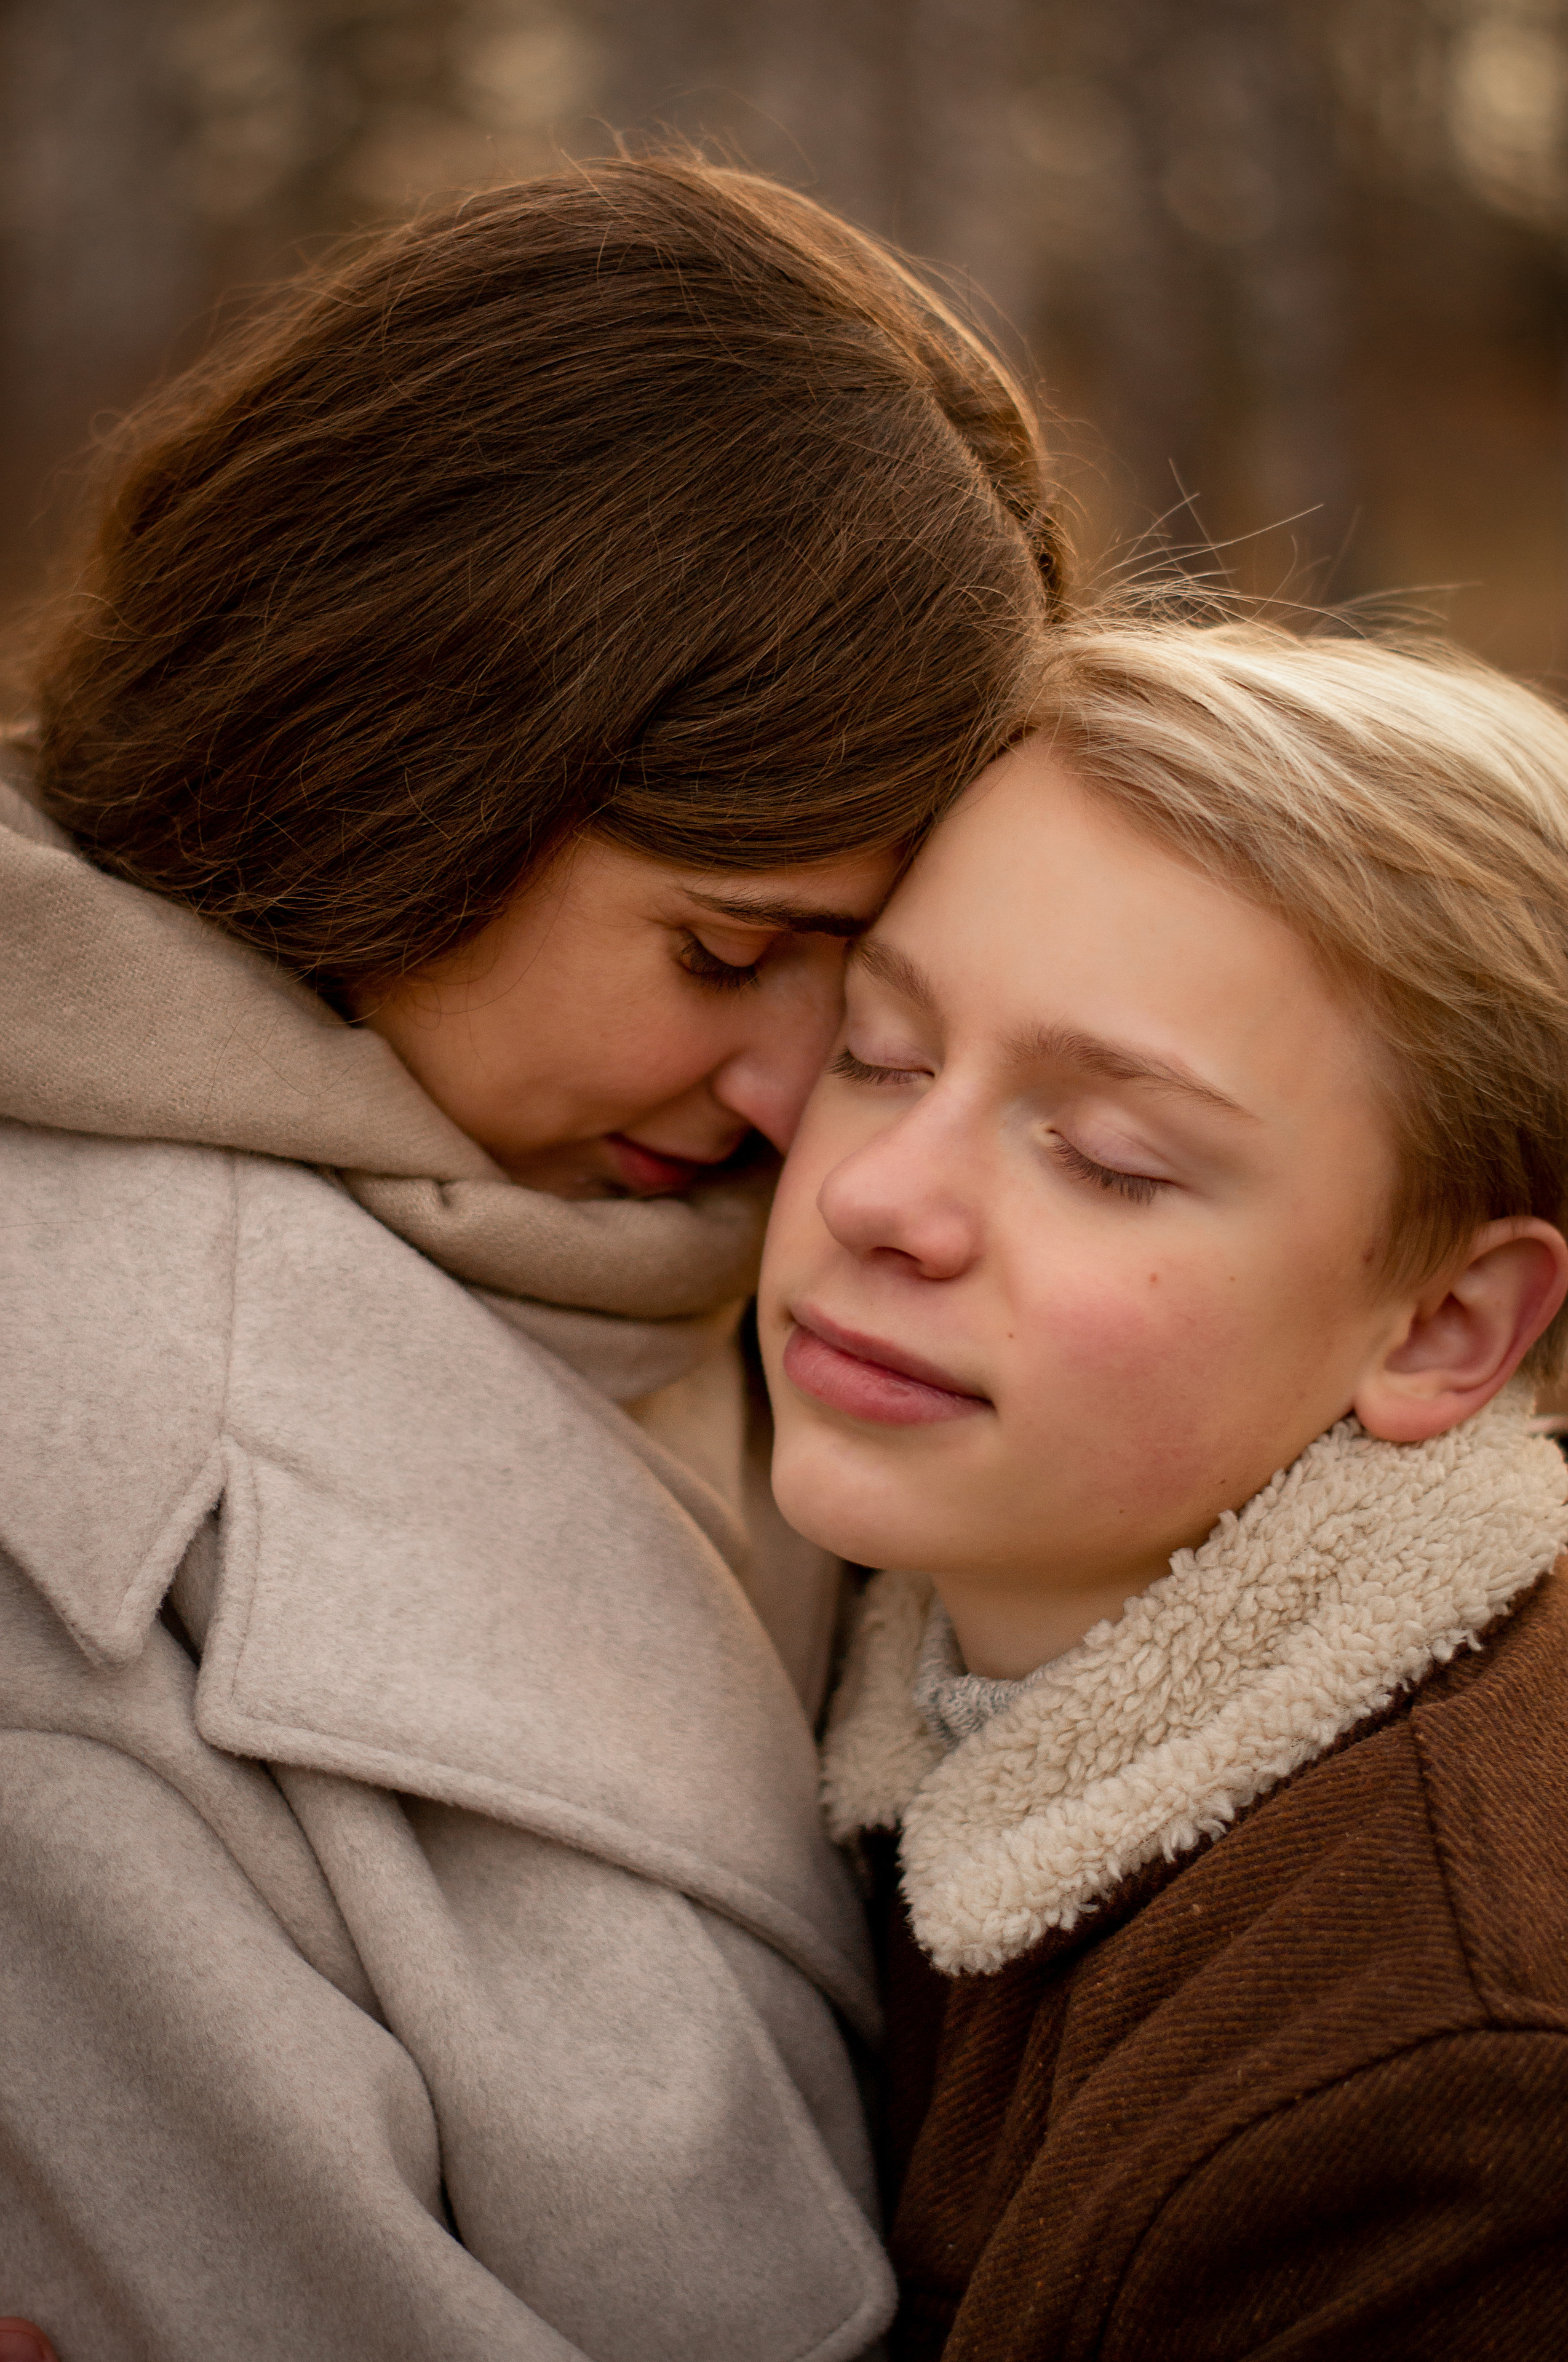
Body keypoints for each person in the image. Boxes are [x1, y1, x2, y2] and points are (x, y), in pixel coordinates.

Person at [0, 156, 1062, 2360]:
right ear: (395, 755)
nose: (805, 1100)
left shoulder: (690, 1251)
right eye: (726, 946)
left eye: (861, 976)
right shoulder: (69, 1514)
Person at [760, 613, 1568, 2359]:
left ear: (1443, 1327)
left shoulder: (1468, 2087)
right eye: (881, 1054)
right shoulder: (893, 1639)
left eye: (1109, 1160)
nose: (879, 1194)